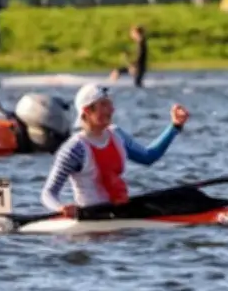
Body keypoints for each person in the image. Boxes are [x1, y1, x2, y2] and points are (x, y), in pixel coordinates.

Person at [40, 83, 189, 217]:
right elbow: (48, 193)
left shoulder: (117, 135)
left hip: (121, 210)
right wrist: (60, 208)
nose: (111, 109)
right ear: (87, 111)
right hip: (93, 216)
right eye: (104, 105)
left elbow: (148, 157)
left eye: (110, 104)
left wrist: (174, 126)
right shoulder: (75, 149)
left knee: (186, 196)